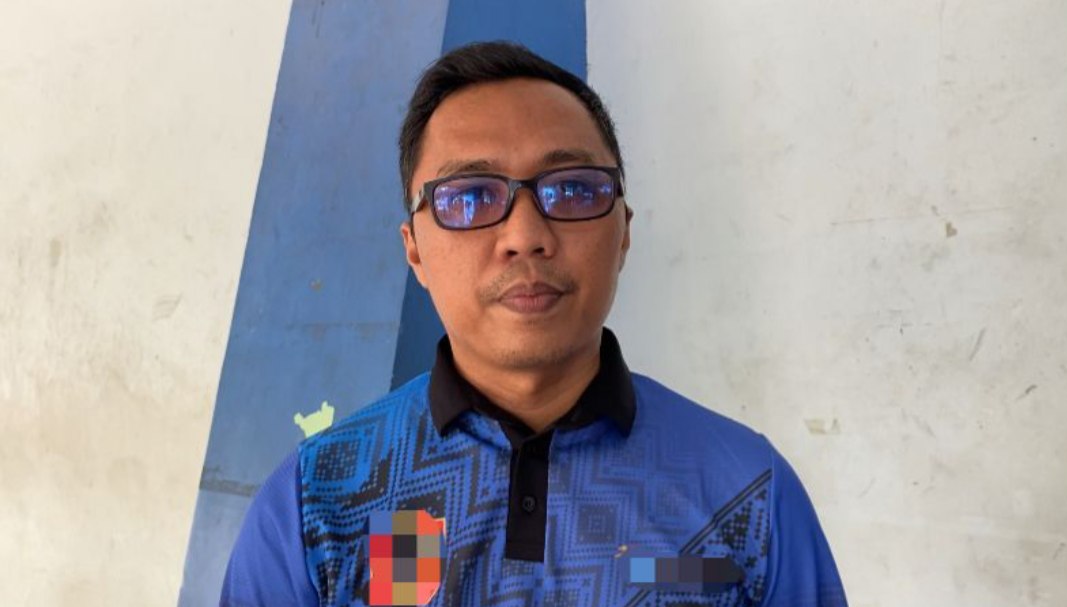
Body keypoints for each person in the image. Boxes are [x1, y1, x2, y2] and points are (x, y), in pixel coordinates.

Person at [221, 41, 847, 607]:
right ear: (415, 250)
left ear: (624, 232)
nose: (525, 236)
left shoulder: (746, 495)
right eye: (470, 197)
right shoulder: (319, 500)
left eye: (572, 190)